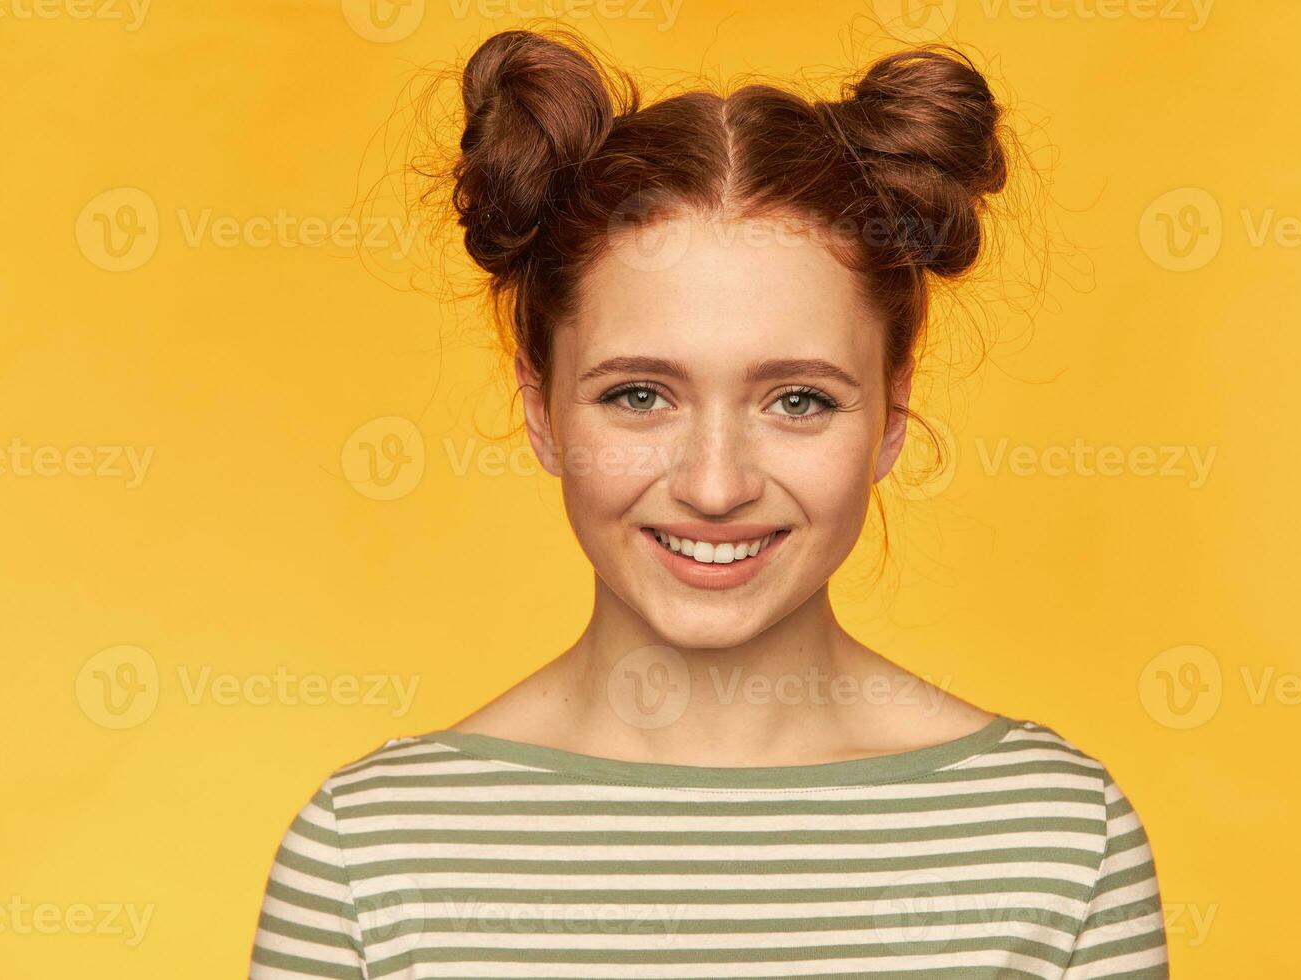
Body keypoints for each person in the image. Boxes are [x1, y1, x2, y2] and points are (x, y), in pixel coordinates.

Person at [250, 27, 1168, 978]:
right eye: (638, 396)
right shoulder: (369, 856)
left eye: (798, 400)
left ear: (893, 415)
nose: (715, 485)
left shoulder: (1056, 841)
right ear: (542, 409)